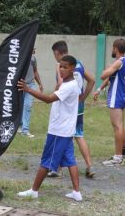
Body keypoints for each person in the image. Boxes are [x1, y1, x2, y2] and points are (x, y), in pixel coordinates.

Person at [17, 55, 82, 201]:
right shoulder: (73, 83)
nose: (61, 69)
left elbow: (48, 100)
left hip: (59, 131)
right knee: (70, 161)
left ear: (72, 68)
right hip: (66, 131)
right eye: (60, 66)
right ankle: (76, 192)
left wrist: (28, 89)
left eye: (65, 67)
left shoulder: (69, 86)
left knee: (46, 161)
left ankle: (34, 191)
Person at [47, 40, 96, 178]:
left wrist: (55, 92)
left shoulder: (60, 65)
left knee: (61, 135)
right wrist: (83, 97)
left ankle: (56, 168)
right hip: (78, 107)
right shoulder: (78, 63)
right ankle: (89, 165)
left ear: (57, 53)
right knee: (79, 135)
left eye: (54, 54)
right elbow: (91, 80)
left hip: (67, 108)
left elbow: (60, 84)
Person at [94, 38, 125, 166]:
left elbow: (103, 75)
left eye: (112, 47)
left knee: (117, 127)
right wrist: (99, 89)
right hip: (122, 97)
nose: (112, 49)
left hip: (116, 97)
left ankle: (117, 157)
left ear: (116, 48)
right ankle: (124, 153)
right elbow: (111, 78)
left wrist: (109, 67)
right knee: (121, 125)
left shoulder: (118, 62)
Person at [18, 48, 43, 138]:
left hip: (31, 85)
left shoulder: (33, 58)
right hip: (20, 85)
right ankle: (19, 126)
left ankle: (25, 130)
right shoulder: (20, 57)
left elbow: (35, 71)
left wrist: (40, 83)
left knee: (27, 106)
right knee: (19, 106)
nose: (34, 50)